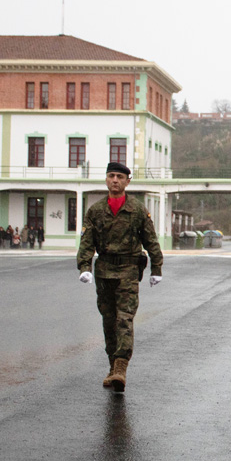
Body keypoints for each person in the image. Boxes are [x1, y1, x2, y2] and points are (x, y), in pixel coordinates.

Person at [77, 161, 163, 393]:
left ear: (128, 181)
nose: (115, 180)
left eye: (120, 176)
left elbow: (151, 240)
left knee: (124, 319)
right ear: (106, 179)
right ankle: (112, 367)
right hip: (104, 271)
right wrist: (84, 266)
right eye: (111, 176)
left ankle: (121, 368)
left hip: (128, 271)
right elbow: (87, 242)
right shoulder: (95, 211)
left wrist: (157, 268)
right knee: (109, 321)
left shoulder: (136, 209)